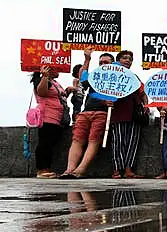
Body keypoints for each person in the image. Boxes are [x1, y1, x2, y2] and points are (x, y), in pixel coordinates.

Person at [60, 49, 114, 179]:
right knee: (77, 139)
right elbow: (83, 78)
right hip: (86, 112)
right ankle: (69, 169)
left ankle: (80, 170)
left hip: (102, 113)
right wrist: (87, 59)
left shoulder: (117, 79)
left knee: (93, 140)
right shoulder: (95, 76)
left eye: (106, 62)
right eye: (101, 62)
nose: (103, 64)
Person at [109, 50, 147, 179]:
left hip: (134, 113)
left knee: (132, 142)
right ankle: (116, 170)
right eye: (124, 58)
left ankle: (129, 170)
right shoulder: (111, 75)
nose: (127, 61)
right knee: (118, 142)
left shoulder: (134, 76)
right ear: (118, 60)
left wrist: (146, 106)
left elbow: (143, 93)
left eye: (130, 59)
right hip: (118, 112)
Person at [31, 65, 70, 178]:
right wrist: (44, 76)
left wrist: (68, 91)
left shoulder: (54, 82)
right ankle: (42, 169)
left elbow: (59, 97)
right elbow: (41, 93)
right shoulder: (44, 80)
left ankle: (47, 168)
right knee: (45, 143)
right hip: (48, 116)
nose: (59, 70)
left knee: (51, 142)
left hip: (57, 117)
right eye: (56, 68)